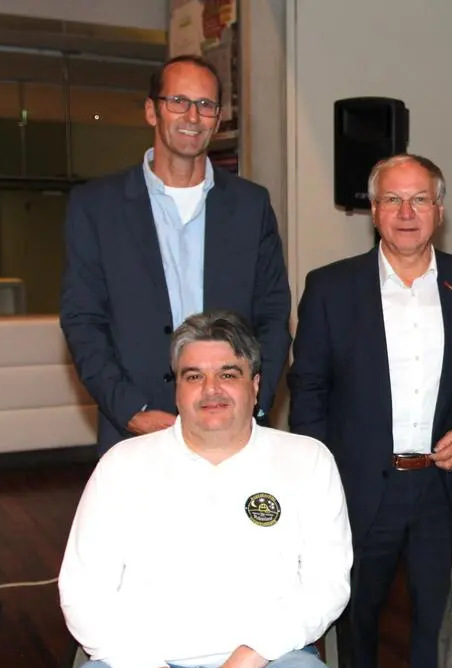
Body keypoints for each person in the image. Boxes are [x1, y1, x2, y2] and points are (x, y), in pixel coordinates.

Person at [288, 154, 452, 668]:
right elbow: (308, 390)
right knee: (355, 620)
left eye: (419, 199)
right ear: (374, 210)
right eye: (393, 199)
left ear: (440, 210)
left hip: (440, 487)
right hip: (357, 487)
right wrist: (320, 478)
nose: (407, 212)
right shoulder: (330, 288)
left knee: (440, 624)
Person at [60, 310, 352, 668]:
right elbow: (83, 591)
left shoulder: (308, 460)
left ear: (255, 385)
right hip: (141, 662)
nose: (211, 389)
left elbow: (326, 584)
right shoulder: (122, 465)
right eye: (194, 376)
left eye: (228, 374)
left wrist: (244, 661)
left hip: (269, 660)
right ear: (177, 390)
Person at [60, 54, 292, 454]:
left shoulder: (251, 205)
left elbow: (273, 314)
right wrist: (130, 410)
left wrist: (254, 401)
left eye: (205, 105)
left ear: (217, 120)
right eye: (178, 101)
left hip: (235, 428)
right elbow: (83, 322)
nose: (192, 116)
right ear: (152, 111)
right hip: (137, 431)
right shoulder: (96, 207)